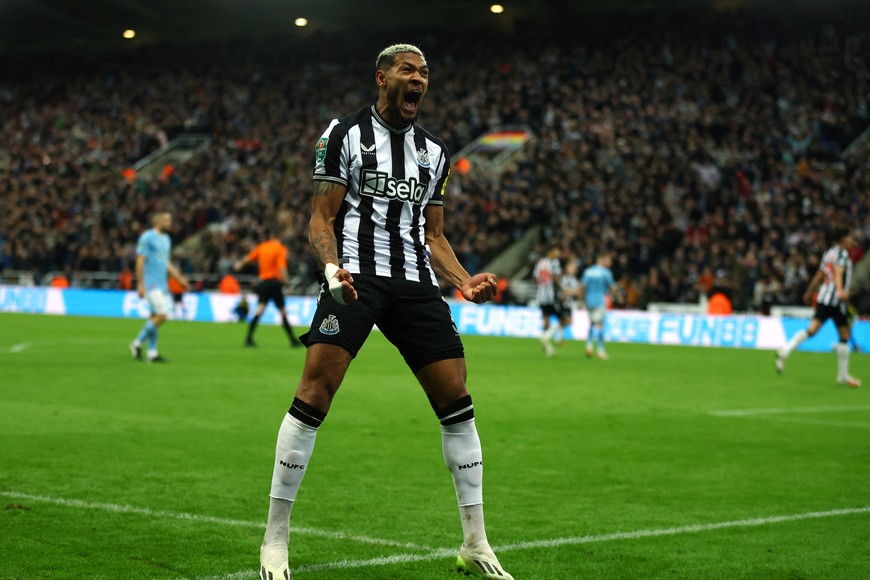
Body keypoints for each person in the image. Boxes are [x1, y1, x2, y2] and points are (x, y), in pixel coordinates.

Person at [257, 44, 513, 580]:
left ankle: (475, 542)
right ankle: (275, 541)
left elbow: (435, 235)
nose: (418, 78)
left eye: (424, 72)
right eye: (407, 69)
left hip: (416, 283)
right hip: (355, 277)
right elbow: (320, 220)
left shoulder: (434, 153)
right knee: (314, 392)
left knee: (458, 402)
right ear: (381, 78)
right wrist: (332, 271)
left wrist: (465, 282)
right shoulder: (343, 134)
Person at [775, 227, 861, 387]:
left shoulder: (829, 253)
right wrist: (841, 290)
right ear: (842, 239)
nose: (852, 240)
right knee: (844, 335)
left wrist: (809, 290)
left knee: (812, 330)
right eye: (849, 237)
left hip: (823, 297)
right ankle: (842, 375)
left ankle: (785, 350)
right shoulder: (842, 254)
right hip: (836, 300)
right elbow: (838, 272)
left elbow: (820, 274)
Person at [129, 211, 189, 363]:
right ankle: (137, 342)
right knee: (163, 315)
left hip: (162, 284)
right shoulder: (147, 237)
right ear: (157, 221)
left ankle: (152, 353)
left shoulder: (167, 239)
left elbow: (166, 263)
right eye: (166, 219)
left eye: (170, 219)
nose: (169, 222)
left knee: (154, 317)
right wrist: (140, 284)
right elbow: (140, 260)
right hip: (151, 284)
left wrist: (179, 278)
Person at [234, 233, 302, 348]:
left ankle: (249, 338)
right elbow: (282, 268)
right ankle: (293, 340)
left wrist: (239, 264)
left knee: (259, 310)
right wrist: (287, 284)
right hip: (275, 284)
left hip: (264, 283)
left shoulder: (262, 247)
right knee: (283, 312)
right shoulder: (280, 249)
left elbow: (247, 259)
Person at [579, 251, 620, 360]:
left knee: (592, 323)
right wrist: (619, 297)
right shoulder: (606, 272)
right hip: (599, 301)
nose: (609, 262)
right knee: (601, 324)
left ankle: (589, 345)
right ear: (601, 259)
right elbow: (612, 287)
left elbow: (582, 286)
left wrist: (580, 300)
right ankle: (600, 350)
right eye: (608, 259)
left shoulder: (588, 271)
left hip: (589, 301)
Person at [534, 245, 563, 357]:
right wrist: (561, 289)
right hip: (552, 296)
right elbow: (556, 278)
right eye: (557, 251)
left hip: (541, 294)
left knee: (546, 319)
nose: (559, 254)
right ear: (552, 251)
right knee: (563, 318)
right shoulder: (554, 262)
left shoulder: (540, 262)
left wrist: (542, 285)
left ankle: (547, 347)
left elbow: (536, 277)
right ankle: (549, 337)